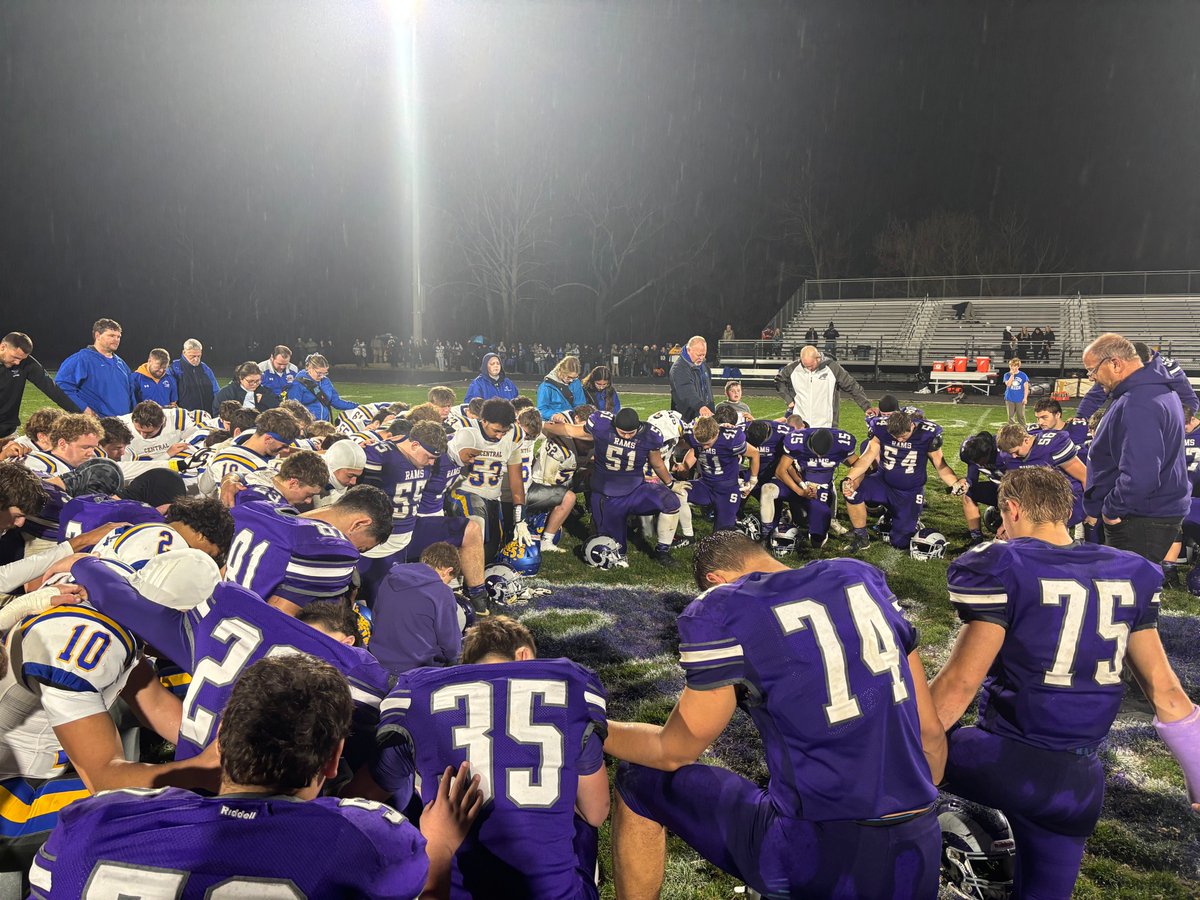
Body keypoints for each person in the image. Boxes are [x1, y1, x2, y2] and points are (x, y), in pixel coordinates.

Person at [606, 532, 945, 899]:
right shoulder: (862, 577)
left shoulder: (724, 607)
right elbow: (931, 735)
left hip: (816, 851)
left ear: (714, 581)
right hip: (919, 844)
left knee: (638, 779)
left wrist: (594, 726)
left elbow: (673, 751)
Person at [930, 467, 1200, 899]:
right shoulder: (1131, 571)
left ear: (1012, 509)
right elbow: (1166, 693)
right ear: (1065, 511)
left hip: (1001, 760)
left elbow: (958, 688)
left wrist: (894, 753)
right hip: (1079, 784)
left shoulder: (1003, 564)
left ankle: (964, 850)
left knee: (892, 765)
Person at [30, 654, 482, 900]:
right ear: (332, 760)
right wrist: (440, 848)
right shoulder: (366, 836)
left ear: (221, 738)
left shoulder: (93, 820)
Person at [0, 554, 224, 890]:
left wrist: (229, 747)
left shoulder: (119, 601)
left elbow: (153, 700)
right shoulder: (80, 641)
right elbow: (104, 777)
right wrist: (205, 770)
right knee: (163, 809)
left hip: (37, 769)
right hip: (11, 792)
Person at [373, 615, 610, 899]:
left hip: (451, 888)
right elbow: (596, 813)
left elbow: (374, 789)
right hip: (554, 894)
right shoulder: (571, 684)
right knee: (583, 824)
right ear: (524, 655)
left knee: (412, 801)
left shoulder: (417, 692)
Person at [1082, 333, 1190, 561]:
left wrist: (1112, 510)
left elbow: (1142, 475)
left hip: (1141, 516)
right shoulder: (1154, 389)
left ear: (1115, 363)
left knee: (1129, 589)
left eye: (1092, 370)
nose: (1091, 377)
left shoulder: (1139, 402)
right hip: (1149, 512)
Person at [544, 406, 682, 567]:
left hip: (636, 490)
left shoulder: (649, 435)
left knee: (671, 502)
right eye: (622, 432)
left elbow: (657, 463)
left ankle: (662, 551)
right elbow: (569, 430)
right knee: (614, 552)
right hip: (607, 496)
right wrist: (540, 425)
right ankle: (605, 528)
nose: (626, 436)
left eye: (631, 433)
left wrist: (671, 483)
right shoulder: (602, 426)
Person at [842, 410, 966, 552]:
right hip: (883, 483)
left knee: (900, 542)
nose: (900, 440)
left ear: (912, 426)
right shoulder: (881, 429)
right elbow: (866, 458)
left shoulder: (926, 435)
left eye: (903, 436)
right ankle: (861, 537)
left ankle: (904, 518)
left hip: (909, 492)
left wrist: (954, 483)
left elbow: (940, 465)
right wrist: (849, 479)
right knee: (851, 491)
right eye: (896, 436)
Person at [368, 542, 466, 674]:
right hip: (415, 672)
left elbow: (376, 617)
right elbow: (451, 647)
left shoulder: (390, 577)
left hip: (377, 664)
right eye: (448, 580)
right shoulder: (442, 592)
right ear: (447, 571)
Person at [1075, 341, 1198, 420]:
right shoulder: (1120, 367)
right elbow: (1096, 394)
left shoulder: (1169, 370)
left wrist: (1180, 422)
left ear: (1148, 360)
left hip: (1158, 415)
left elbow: (1189, 399)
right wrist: (1080, 417)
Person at [0, 332, 81, 438]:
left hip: (8, 432)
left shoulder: (26, 363)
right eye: (15, 357)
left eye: (21, 359)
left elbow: (51, 388)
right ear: (3, 347)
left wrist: (79, 413)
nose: (18, 363)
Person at [775, 345, 872, 428]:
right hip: (801, 425)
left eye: (811, 365)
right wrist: (789, 400)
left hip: (827, 425)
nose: (809, 369)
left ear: (818, 358)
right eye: (805, 365)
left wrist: (866, 407)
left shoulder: (832, 368)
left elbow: (852, 386)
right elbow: (779, 380)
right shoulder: (793, 367)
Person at [54, 317, 133, 417]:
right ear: (97, 335)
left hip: (123, 424)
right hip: (96, 425)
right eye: (111, 335)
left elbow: (131, 391)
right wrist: (83, 408)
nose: (116, 340)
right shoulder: (81, 359)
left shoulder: (121, 363)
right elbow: (62, 386)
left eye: (118, 337)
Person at [22, 413, 101, 478]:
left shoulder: (89, 464)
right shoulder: (40, 465)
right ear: (62, 444)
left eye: (93, 447)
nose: (91, 453)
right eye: (85, 447)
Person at [285, 353, 358, 423]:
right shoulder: (298, 384)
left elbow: (336, 402)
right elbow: (293, 409)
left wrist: (358, 406)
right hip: (308, 427)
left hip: (324, 425)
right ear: (309, 368)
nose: (322, 376)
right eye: (319, 373)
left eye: (325, 373)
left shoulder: (326, 381)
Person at [669, 336, 714, 421]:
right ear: (689, 350)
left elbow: (708, 390)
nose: (701, 358)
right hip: (687, 418)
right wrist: (700, 406)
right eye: (699, 355)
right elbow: (686, 390)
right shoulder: (679, 368)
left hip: (703, 414)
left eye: (703, 354)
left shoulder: (703, 365)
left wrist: (711, 407)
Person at [212, 361, 282, 416]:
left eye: (258, 381)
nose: (254, 384)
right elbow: (217, 411)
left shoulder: (265, 391)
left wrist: (265, 399)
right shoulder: (228, 392)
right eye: (250, 381)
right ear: (241, 379)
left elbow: (279, 408)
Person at [170, 339, 220, 413]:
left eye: (198, 356)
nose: (196, 359)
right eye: (192, 356)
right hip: (185, 417)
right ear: (184, 352)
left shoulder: (204, 368)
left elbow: (216, 390)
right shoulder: (175, 368)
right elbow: (169, 393)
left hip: (207, 415)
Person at [537, 354, 587, 423]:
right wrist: (555, 416)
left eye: (574, 377)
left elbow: (580, 404)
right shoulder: (546, 386)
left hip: (572, 421)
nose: (571, 380)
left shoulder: (576, 382)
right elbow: (541, 409)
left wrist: (578, 416)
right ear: (560, 371)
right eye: (569, 377)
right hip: (554, 423)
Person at [1003, 358, 1030, 425]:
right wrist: (1012, 375)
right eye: (1011, 366)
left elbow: (1026, 388)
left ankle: (1023, 430)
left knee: (1021, 416)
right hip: (1010, 398)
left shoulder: (1023, 375)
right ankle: (1012, 431)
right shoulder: (1007, 375)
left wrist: (1025, 398)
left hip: (1020, 399)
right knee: (1011, 417)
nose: (1013, 367)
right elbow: (1008, 384)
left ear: (1018, 366)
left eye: (1015, 366)